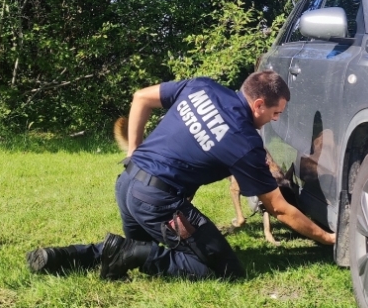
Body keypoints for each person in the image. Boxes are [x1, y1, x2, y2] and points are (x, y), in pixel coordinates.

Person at [26, 70, 335, 281]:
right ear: (258, 105)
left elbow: (141, 97)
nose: (273, 121)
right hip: (158, 202)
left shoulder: (203, 86)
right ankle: (136, 255)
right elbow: (278, 207)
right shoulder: (244, 140)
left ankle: (58, 257)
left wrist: (135, 149)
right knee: (223, 268)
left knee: (128, 250)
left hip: (127, 184)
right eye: (275, 113)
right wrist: (326, 237)